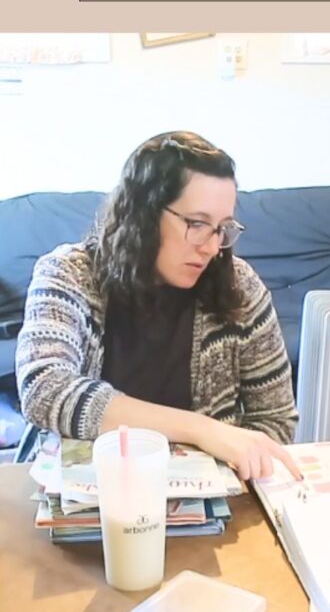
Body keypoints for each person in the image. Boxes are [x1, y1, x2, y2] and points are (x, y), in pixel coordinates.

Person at [16, 131, 301, 481]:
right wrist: (201, 430)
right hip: (81, 495)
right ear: (143, 214)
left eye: (222, 228)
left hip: (203, 500)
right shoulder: (69, 274)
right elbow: (44, 389)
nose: (212, 248)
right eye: (196, 224)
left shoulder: (239, 287)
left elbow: (275, 421)